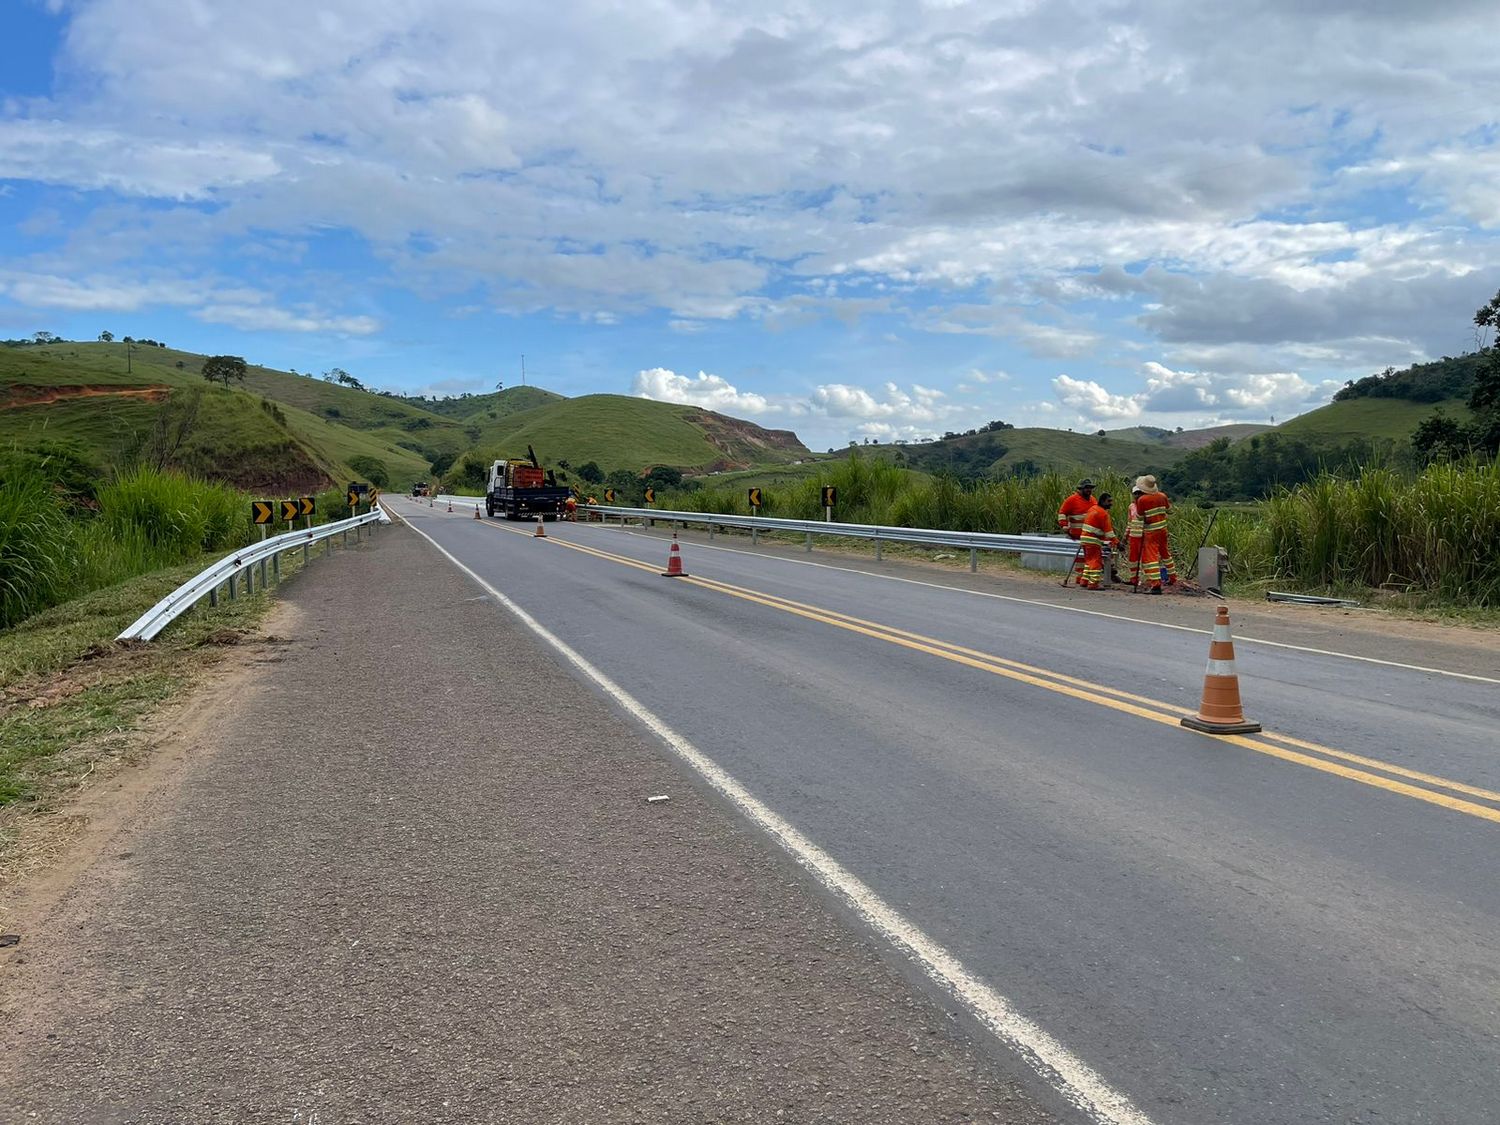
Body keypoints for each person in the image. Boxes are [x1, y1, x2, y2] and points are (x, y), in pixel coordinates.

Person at [1133, 475, 1177, 594]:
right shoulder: (1162, 496)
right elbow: (1170, 511)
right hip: (1163, 529)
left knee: (1151, 557)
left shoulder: (1142, 500)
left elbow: (1140, 517)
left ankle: (1156, 584)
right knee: (1165, 553)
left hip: (1151, 531)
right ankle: (1173, 578)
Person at [1056, 478, 1096, 585]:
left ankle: (1085, 578)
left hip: (1090, 534)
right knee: (1081, 558)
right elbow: (1062, 513)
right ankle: (1080, 577)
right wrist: (1064, 525)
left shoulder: (1093, 500)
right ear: (1081, 489)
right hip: (1076, 534)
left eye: (1090, 488)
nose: (1089, 490)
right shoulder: (1072, 500)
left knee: (1089, 557)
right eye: (1086, 488)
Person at [1077, 493, 1118, 590]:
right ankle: (1093, 583)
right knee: (1096, 561)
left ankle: (1084, 581)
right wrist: (1118, 543)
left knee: (1089, 561)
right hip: (1093, 540)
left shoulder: (1092, 509)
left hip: (1084, 538)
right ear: (1103, 501)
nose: (1111, 504)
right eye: (1109, 501)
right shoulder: (1103, 513)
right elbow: (1109, 533)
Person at [1125, 485, 1146, 586]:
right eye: (1136, 494)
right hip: (1133, 536)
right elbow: (1129, 523)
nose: (1137, 495)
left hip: (1145, 536)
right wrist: (1125, 537)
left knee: (1146, 559)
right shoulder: (1131, 506)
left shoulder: (1147, 506)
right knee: (1133, 559)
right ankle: (1134, 578)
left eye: (1139, 493)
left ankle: (1148, 580)